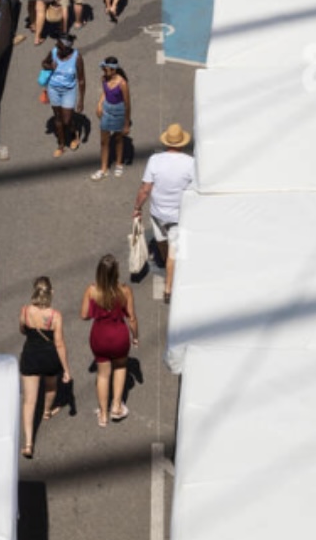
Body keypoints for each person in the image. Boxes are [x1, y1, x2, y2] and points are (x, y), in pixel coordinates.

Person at [133, 124, 195, 303]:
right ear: (182, 143)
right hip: (178, 215)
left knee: (161, 241)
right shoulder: (190, 163)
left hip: (158, 212)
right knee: (173, 253)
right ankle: (168, 289)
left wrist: (137, 207)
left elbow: (145, 189)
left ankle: (163, 260)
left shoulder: (155, 160)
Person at [80, 255, 138, 426]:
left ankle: (103, 415)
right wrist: (135, 337)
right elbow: (132, 318)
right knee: (120, 367)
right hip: (119, 336)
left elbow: (84, 315)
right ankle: (116, 407)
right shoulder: (125, 291)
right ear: (117, 272)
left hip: (99, 336)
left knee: (103, 375)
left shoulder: (92, 290)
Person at [18, 275, 71, 459]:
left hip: (31, 356)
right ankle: (47, 411)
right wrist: (66, 369)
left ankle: (28, 443)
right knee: (50, 387)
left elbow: (23, 330)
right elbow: (60, 344)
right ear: (51, 293)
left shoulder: (25, 311)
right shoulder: (55, 316)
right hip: (50, 357)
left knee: (29, 401)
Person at [43, 35, 86, 156]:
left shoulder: (77, 58)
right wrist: (50, 66)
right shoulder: (53, 52)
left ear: (67, 48)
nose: (57, 48)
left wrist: (81, 101)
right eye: (57, 45)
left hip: (68, 90)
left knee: (66, 120)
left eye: (59, 47)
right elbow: (44, 63)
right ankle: (61, 145)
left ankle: (74, 135)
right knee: (58, 118)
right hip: (53, 89)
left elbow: (81, 80)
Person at [91, 56, 131, 179]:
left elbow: (127, 104)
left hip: (119, 111)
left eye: (106, 69)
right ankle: (104, 169)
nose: (104, 71)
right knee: (104, 141)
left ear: (113, 70)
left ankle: (119, 164)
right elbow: (105, 92)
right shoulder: (103, 79)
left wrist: (126, 123)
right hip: (107, 110)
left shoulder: (122, 83)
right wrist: (99, 103)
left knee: (118, 139)